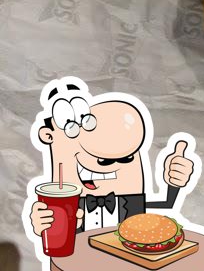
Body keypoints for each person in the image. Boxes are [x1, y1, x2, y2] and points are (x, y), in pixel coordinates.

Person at [27, 77, 195, 235]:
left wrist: (174, 183)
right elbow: (57, 234)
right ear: (48, 136)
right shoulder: (65, 204)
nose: (108, 164)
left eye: (126, 158)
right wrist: (42, 223)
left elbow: (166, 205)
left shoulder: (131, 201)